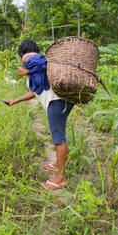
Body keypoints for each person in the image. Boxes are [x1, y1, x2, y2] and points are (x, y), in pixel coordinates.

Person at [6, 39, 74, 190]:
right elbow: (36, 90)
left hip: (56, 101)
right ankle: (58, 164)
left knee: (58, 138)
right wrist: (15, 101)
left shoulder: (32, 58)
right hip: (62, 100)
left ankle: (60, 178)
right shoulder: (38, 66)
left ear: (21, 53)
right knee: (59, 134)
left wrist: (27, 70)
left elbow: (41, 63)